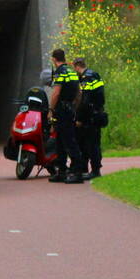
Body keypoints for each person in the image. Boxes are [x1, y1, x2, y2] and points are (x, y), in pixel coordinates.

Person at [47, 48, 85, 184]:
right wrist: (74, 107)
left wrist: (51, 110)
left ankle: (77, 172)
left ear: (54, 59)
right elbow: (79, 93)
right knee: (61, 141)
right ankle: (61, 171)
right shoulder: (72, 71)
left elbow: (56, 93)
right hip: (70, 108)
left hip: (61, 110)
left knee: (68, 141)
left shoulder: (59, 72)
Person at [73, 57, 106, 179]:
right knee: (94, 143)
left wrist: (80, 118)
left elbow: (85, 101)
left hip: (89, 116)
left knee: (91, 144)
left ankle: (95, 171)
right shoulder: (95, 75)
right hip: (97, 113)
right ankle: (92, 168)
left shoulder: (86, 78)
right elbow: (100, 97)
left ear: (76, 66)